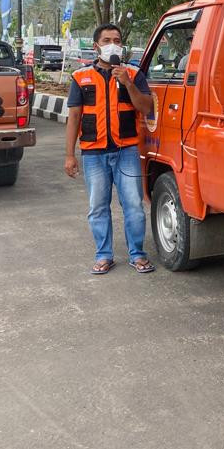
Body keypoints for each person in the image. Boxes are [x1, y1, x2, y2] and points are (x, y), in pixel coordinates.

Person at [65, 24, 155, 274]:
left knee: (134, 206)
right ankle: (104, 255)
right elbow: (73, 118)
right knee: (98, 207)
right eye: (107, 40)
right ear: (96, 46)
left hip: (126, 151)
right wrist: (70, 155)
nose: (112, 44)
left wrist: (127, 83)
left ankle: (137, 254)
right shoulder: (80, 77)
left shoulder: (134, 74)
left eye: (117, 40)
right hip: (94, 153)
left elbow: (146, 107)